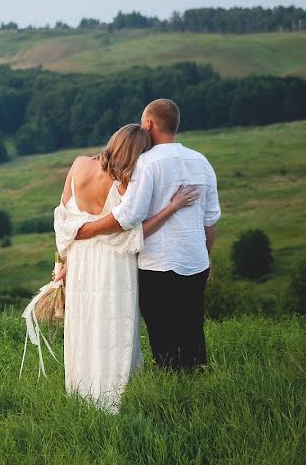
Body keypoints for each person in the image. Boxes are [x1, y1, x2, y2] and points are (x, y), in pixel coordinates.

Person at [52, 123, 198, 414]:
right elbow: (133, 231)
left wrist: (65, 259)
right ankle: (113, 395)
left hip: (80, 259)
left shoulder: (79, 164)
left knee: (83, 323)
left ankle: (81, 392)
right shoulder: (124, 184)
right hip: (113, 265)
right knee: (113, 323)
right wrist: (173, 207)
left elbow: (65, 218)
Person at [75, 99, 221, 372]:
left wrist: (84, 231)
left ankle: (171, 389)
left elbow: (127, 216)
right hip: (196, 261)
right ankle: (197, 384)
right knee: (192, 327)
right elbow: (210, 219)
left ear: (149, 124)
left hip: (158, 264)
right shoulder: (201, 161)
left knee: (163, 333)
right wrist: (207, 257)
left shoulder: (147, 163)